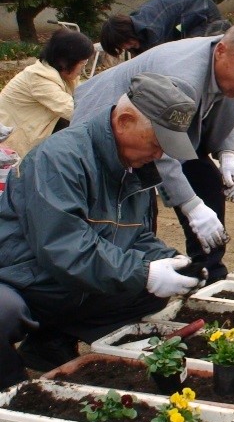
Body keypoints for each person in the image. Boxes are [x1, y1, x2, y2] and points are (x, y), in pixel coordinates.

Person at [0, 73, 204, 389]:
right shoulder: (61, 158)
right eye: (157, 143)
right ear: (123, 121)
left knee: (147, 295)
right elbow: (65, 247)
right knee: (3, 311)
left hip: (69, 284)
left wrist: (175, 263)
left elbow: (135, 235)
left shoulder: (133, 167)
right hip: (22, 279)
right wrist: (145, 272)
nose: (160, 155)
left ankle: (49, 344)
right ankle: (10, 391)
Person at [73, 21, 234, 284]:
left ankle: (208, 272)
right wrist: (191, 206)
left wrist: (228, 156)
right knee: (136, 198)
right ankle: (133, 277)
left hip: (162, 130)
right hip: (111, 119)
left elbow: (226, 105)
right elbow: (160, 148)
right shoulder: (181, 76)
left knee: (206, 180)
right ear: (221, 51)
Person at [0, 29, 94, 157]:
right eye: (82, 63)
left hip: (33, 135)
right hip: (12, 144)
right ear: (65, 61)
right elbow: (74, 110)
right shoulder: (38, 77)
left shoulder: (65, 76)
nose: (83, 68)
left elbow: (85, 97)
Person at [100, 0, 230, 57]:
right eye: (123, 48)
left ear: (128, 33)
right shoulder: (138, 26)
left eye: (127, 43)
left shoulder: (152, 29)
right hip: (182, 20)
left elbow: (160, 59)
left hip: (202, 11)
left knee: (194, 52)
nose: (127, 47)